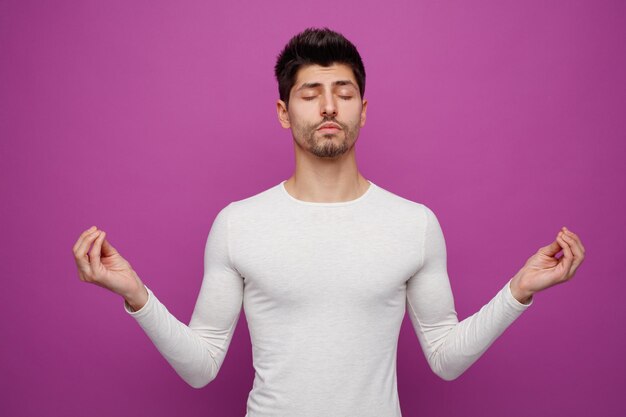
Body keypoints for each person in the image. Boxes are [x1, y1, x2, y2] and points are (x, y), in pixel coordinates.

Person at [72, 27, 586, 417]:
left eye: (343, 91)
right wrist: (135, 294)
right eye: (309, 92)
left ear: (363, 109)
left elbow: (446, 357)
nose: (327, 106)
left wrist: (519, 290)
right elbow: (202, 366)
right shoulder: (238, 225)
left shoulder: (415, 225)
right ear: (282, 110)